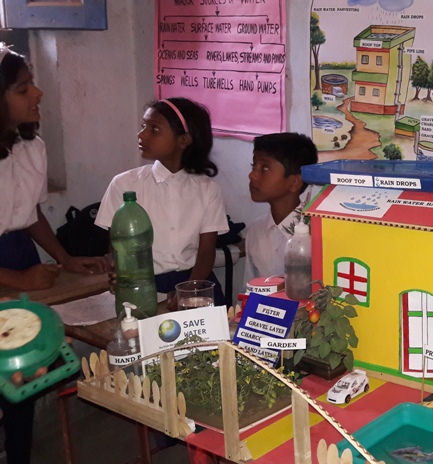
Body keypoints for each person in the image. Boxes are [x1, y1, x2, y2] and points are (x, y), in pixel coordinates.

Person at [0, 43, 107, 464]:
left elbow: (29, 214)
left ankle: (18, 454)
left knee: (23, 368)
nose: (38, 93)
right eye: (23, 88)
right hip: (8, 269)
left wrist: (65, 259)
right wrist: (17, 278)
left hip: (19, 253)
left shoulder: (31, 148)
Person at [95, 97, 229, 306]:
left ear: (183, 141)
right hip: (144, 286)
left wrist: (189, 289)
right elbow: (117, 246)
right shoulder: (124, 184)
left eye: (154, 129)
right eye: (143, 126)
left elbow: (206, 252)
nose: (141, 134)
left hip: (196, 281)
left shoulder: (207, 189)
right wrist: (119, 274)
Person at [244, 132, 318, 282]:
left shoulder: (316, 232)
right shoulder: (256, 229)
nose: (252, 175)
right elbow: (250, 287)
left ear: (294, 182)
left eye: (265, 168)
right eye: (254, 165)